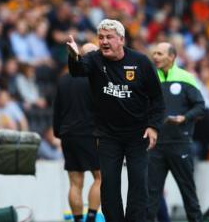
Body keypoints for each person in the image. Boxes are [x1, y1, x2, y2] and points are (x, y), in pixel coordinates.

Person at [66, 19, 165, 222]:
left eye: (109, 37)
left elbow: (157, 99)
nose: (103, 41)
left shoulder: (141, 62)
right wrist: (73, 56)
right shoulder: (94, 59)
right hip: (108, 135)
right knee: (109, 185)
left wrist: (153, 127)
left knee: (138, 183)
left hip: (138, 135)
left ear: (121, 39)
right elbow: (77, 70)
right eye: (100, 37)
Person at [147, 42, 204, 222]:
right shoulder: (150, 79)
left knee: (188, 194)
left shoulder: (186, 77)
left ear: (172, 57)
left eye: (160, 54)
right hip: (155, 146)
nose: (155, 57)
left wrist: (184, 118)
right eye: (154, 53)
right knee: (150, 197)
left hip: (180, 144)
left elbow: (200, 106)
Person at [53, 43, 101, 222]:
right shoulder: (97, 78)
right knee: (100, 178)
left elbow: (57, 109)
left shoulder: (64, 79)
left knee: (75, 182)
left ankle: (78, 220)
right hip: (90, 134)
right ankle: (91, 218)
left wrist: (59, 133)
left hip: (68, 135)